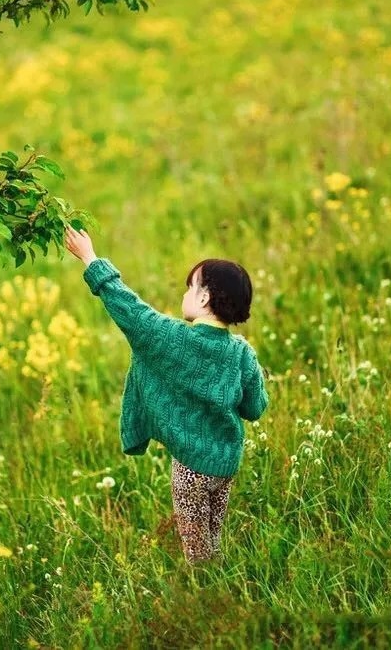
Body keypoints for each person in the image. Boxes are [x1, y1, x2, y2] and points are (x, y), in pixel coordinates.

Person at [63, 225, 269, 563]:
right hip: (226, 464)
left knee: (196, 551)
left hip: (190, 470)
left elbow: (130, 309)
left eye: (191, 287)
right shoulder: (243, 353)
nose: (186, 294)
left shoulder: (172, 338)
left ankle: (205, 596)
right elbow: (254, 408)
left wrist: (90, 258)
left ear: (204, 298)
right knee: (214, 537)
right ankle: (218, 577)